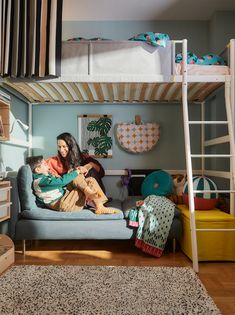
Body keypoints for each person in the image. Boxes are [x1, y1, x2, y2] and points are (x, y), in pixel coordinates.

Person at [26, 155, 118, 214]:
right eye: (45, 165)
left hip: (66, 198)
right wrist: (77, 172)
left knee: (90, 180)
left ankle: (100, 206)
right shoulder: (40, 182)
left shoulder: (44, 178)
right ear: (37, 170)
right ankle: (88, 192)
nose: (48, 166)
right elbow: (61, 182)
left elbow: (60, 182)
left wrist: (75, 171)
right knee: (75, 174)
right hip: (64, 204)